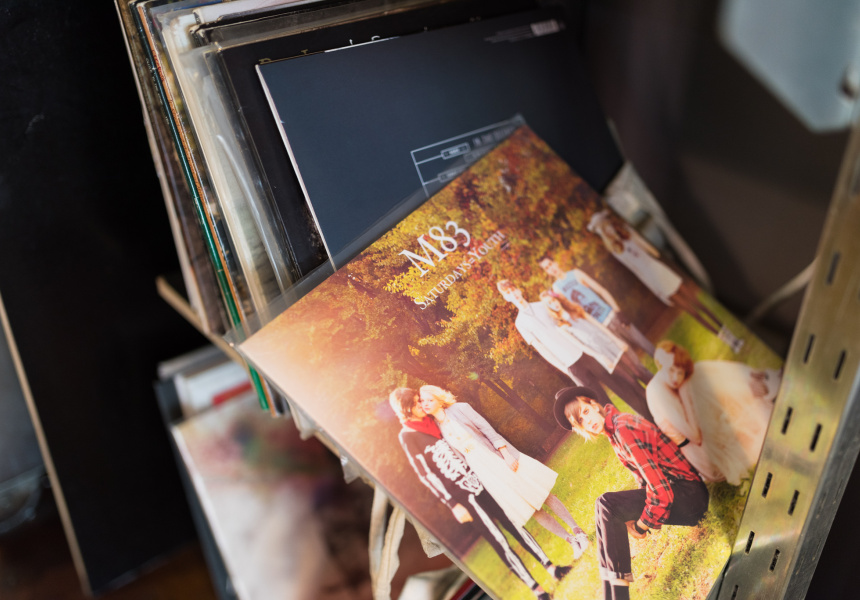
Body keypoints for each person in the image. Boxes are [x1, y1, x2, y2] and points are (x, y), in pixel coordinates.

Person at [390, 388, 568, 600]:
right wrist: (452, 504)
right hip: (462, 497)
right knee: (498, 539)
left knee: (514, 525)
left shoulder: (432, 423)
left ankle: (551, 568)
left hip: (480, 481)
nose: (421, 404)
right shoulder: (407, 436)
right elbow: (426, 475)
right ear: (407, 409)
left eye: (420, 401)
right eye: (416, 403)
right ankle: (536, 589)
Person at [553, 387, 709, 600]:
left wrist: (641, 524)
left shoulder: (622, 429)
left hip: (692, 498)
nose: (588, 421)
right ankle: (612, 594)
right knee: (604, 506)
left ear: (594, 404)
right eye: (580, 421)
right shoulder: (613, 431)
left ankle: (617, 596)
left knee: (607, 504)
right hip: (684, 493)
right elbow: (644, 481)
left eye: (586, 411)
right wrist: (628, 513)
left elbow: (661, 492)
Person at [418, 385, 589, 558]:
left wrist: (505, 454)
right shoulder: (438, 431)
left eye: (429, 399)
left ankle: (579, 532)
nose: (425, 403)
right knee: (530, 509)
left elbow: (487, 429)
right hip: (485, 474)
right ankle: (571, 541)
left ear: (439, 398)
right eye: (422, 401)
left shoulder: (460, 408)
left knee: (541, 494)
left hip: (499, 458)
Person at [497, 279, 653, 422]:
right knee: (599, 403)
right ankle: (619, 430)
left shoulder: (542, 305)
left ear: (518, 290)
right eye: (508, 293)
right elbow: (542, 349)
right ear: (506, 298)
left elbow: (567, 319)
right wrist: (565, 369)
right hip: (571, 365)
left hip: (586, 352)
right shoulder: (521, 323)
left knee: (620, 385)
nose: (513, 293)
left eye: (513, 289)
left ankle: (650, 417)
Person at [587, 210, 743, 353]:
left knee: (698, 303)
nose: (608, 230)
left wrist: (633, 234)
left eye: (607, 226)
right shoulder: (617, 252)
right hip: (653, 279)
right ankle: (728, 341)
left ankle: (731, 335)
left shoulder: (628, 234)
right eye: (604, 229)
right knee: (693, 312)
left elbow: (652, 251)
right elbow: (637, 272)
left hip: (659, 269)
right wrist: (657, 291)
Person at [646, 341, 779, 485]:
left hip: (706, 436)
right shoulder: (658, 392)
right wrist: (686, 397)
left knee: (698, 371)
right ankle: (755, 386)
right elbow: (695, 437)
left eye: (679, 372)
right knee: (696, 379)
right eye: (671, 370)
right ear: (661, 366)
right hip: (706, 457)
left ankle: (753, 379)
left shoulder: (669, 381)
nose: (675, 378)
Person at [538, 256, 654, 357]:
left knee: (642, 342)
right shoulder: (557, 288)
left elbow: (601, 290)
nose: (551, 268)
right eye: (546, 268)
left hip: (611, 315)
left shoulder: (575, 273)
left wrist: (618, 311)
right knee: (630, 356)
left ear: (555, 262)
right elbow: (573, 311)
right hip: (601, 326)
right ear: (547, 272)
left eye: (550, 264)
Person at [539, 291, 653, 388]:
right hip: (600, 353)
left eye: (553, 300)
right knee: (631, 381)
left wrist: (616, 340)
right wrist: (600, 357)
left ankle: (657, 389)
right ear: (549, 308)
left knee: (637, 371)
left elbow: (598, 325)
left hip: (609, 342)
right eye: (550, 304)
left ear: (557, 299)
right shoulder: (561, 327)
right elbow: (581, 346)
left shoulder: (576, 310)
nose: (554, 304)